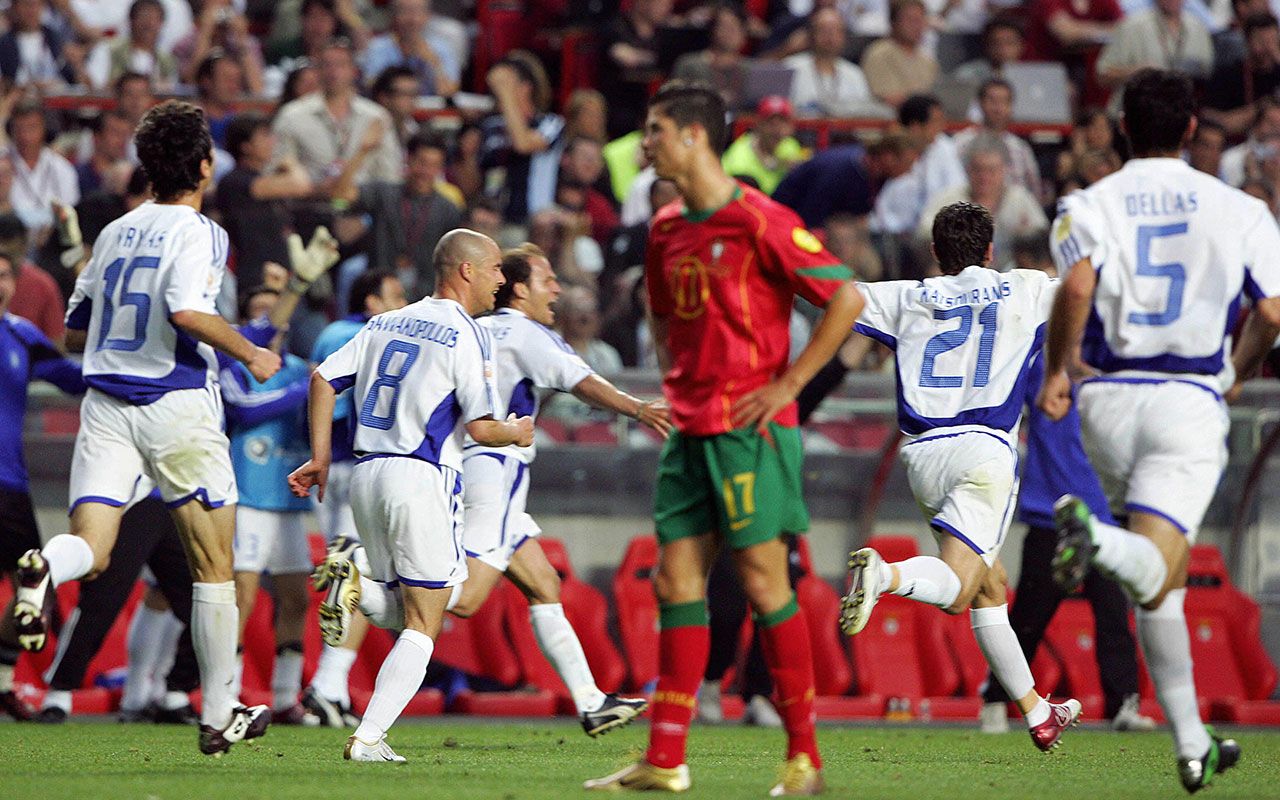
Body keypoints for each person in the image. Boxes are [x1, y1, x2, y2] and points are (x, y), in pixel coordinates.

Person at [583, 80, 865, 796]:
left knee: (766, 582)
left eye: (653, 130)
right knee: (674, 579)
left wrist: (789, 385)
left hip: (749, 431)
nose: (644, 144)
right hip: (689, 430)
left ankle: (804, 760)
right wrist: (679, 377)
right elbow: (658, 310)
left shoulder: (758, 218)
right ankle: (666, 760)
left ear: (693, 136)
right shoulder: (666, 227)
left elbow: (848, 297)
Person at [10, 100, 284, 756]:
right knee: (213, 564)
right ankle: (219, 714)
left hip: (104, 408)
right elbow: (188, 312)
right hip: (176, 405)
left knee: (93, 546)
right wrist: (250, 349)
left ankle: (44, 566)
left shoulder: (116, 231)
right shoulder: (200, 232)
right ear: (202, 165)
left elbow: (76, 325)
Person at [1041, 68, 1280, 793]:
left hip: (1105, 401)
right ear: (1189, 130)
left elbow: (1076, 287)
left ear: (1119, 129)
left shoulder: (1086, 202)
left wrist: (1059, 370)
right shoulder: (1240, 208)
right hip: (1184, 400)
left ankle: (1190, 743)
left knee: (1162, 585)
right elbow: (1272, 313)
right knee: (1150, 559)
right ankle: (1095, 537)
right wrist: (1236, 370)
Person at [841, 201, 1082, 752]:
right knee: (957, 591)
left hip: (922, 454)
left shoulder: (905, 295)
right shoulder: (1024, 287)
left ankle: (1036, 712)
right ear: (990, 251)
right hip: (984, 453)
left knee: (988, 586)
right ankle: (887, 577)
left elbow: (835, 296)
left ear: (935, 253)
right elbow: (1084, 288)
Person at [290, 228, 534, 761]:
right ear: (466, 270)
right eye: (495, 268)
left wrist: (321, 457)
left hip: (365, 476)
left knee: (404, 610)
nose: (501, 279)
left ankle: (353, 585)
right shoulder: (468, 334)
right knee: (428, 621)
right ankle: (369, 737)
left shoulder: (384, 322)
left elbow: (322, 380)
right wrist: (517, 429)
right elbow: (483, 429)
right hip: (421, 476)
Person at [423, 244, 665, 735]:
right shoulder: (524, 331)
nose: (556, 288)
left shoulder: (474, 327)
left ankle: (591, 701)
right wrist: (639, 409)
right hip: (497, 467)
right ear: (517, 288)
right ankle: (365, 583)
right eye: (547, 278)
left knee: (543, 584)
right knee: (466, 599)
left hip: (463, 463)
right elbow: (581, 381)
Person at [978, 231, 1154, 736]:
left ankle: (1123, 704)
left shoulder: (1103, 363)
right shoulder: (1039, 360)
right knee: (1030, 617)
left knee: (1111, 612)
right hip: (1050, 508)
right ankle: (995, 700)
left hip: (1097, 511)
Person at [300, 269, 407, 728]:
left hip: (333, 468)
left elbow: (320, 387)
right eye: (395, 294)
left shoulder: (330, 334)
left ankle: (331, 689)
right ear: (371, 301)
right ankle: (327, 684)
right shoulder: (380, 332)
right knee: (364, 574)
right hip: (367, 462)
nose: (403, 304)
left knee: (343, 573)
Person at [222, 286, 320, 726]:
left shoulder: (301, 369)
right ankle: (225, 694)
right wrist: (306, 391)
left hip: (288, 497)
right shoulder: (237, 366)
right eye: (262, 312)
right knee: (240, 597)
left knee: (296, 598)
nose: (273, 321)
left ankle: (284, 698)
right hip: (248, 495)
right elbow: (242, 412)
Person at [0, 251, 83, 721]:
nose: (0, 283)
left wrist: (118, 367)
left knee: (34, 593)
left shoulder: (20, 334)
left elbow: (70, 378)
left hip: (9, 484)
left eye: (5, 275)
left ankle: (3, 681)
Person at [273, 37, 403, 186]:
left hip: (363, 203)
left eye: (341, 65)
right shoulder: (292, 115)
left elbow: (389, 175)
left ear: (354, 71)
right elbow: (279, 168)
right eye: (326, 65)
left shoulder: (377, 117)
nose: (333, 71)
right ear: (317, 70)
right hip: (309, 202)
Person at [915, 134, 1047, 269]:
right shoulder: (949, 199)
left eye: (992, 170)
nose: (985, 177)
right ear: (967, 170)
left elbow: (1040, 234)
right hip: (960, 276)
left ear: (1004, 170)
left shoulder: (1020, 199)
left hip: (1011, 277)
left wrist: (1024, 236)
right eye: (978, 169)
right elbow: (924, 233)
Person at [481, 52, 564, 224]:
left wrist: (506, 94)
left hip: (531, 222)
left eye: (505, 83)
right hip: (492, 220)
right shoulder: (490, 126)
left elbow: (523, 144)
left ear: (526, 87)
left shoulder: (550, 123)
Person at [952, 79, 1042, 198]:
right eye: (992, 101)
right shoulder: (960, 143)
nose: (998, 108)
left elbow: (1034, 194)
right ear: (980, 103)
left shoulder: (1020, 148)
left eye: (1004, 102)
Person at [785, 7, 879, 117]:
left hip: (846, 133)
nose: (829, 36)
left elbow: (866, 115)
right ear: (811, 34)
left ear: (844, 35)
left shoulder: (855, 74)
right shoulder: (790, 68)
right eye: (823, 30)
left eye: (835, 30)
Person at [359, 0, 461, 98]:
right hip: (390, 111)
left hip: (430, 111)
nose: (413, 19)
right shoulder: (378, 47)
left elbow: (449, 93)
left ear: (428, 16)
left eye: (419, 11)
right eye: (406, 11)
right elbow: (371, 88)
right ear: (394, 15)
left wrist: (433, 64)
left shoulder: (442, 48)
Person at [721, 96, 807, 196]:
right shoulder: (738, 161)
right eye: (770, 122)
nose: (777, 129)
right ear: (758, 123)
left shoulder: (790, 145)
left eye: (783, 121)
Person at [860, 0, 938, 109]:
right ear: (894, 22)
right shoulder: (879, 54)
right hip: (889, 121)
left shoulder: (927, 59)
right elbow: (887, 98)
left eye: (920, 20)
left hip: (925, 122)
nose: (917, 26)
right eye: (911, 20)